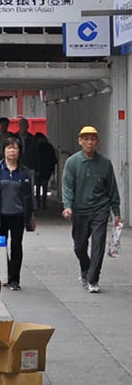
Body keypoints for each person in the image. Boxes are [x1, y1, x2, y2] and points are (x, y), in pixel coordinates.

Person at [61, 124, 121, 294]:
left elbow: (112, 188)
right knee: (79, 246)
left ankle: (93, 279)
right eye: (86, 139)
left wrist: (116, 212)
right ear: (80, 141)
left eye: (92, 139)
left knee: (98, 245)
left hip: (100, 209)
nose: (89, 142)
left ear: (97, 142)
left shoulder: (105, 163)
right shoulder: (73, 162)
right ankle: (85, 269)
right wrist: (68, 206)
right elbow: (68, 187)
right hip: (80, 210)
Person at [0, 135, 34, 291]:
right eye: (9, 148)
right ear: (4, 150)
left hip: (18, 215)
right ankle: (4, 274)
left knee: (16, 247)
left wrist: (31, 214)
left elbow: (29, 195)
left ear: (19, 151)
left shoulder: (25, 172)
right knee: (0, 247)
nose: (12, 151)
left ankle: (15, 279)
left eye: (15, 148)